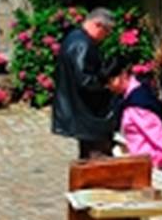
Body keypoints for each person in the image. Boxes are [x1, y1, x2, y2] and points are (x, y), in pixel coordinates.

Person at [51, 8, 121, 159]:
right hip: (87, 114)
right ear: (98, 25)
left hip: (80, 112)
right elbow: (86, 80)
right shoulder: (83, 44)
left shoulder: (75, 38)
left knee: (89, 156)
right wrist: (108, 86)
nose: (106, 36)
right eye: (107, 31)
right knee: (97, 158)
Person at [118, 66, 162, 169]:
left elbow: (155, 131)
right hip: (144, 157)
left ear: (123, 76)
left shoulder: (137, 103)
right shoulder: (137, 93)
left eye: (110, 82)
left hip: (150, 160)